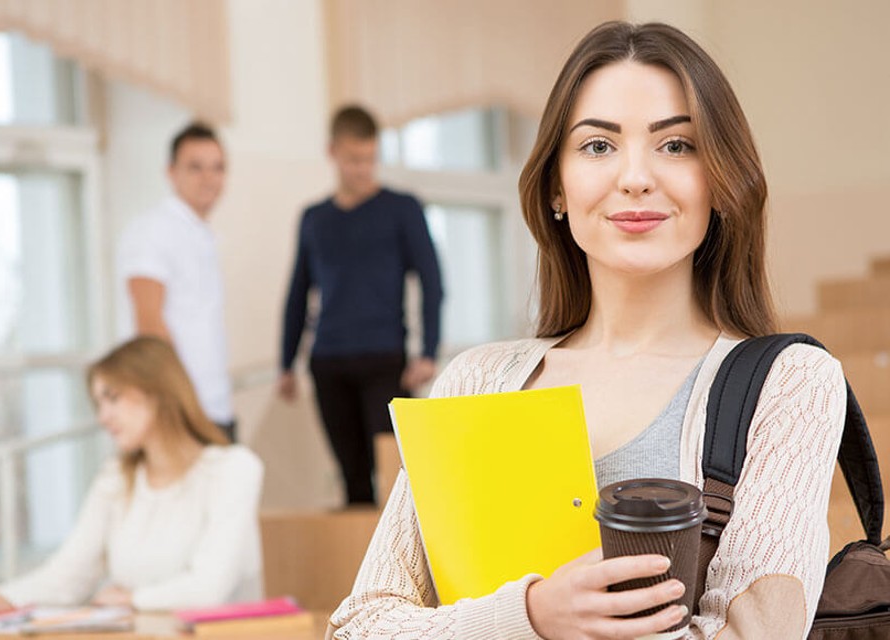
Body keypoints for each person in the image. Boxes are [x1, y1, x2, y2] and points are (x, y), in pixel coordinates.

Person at [328, 21, 844, 639]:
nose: (635, 177)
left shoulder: (789, 383)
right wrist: (532, 616)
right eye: (598, 146)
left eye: (676, 145)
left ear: (723, 182)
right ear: (556, 186)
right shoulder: (476, 381)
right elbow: (360, 626)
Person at [0, 337, 264, 624]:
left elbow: (210, 587)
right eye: (99, 403)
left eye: (113, 398)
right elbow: (67, 577)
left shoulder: (234, 470)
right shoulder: (117, 478)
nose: (103, 417)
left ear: (156, 391)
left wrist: (132, 599)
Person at [279, 105, 444, 506]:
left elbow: (432, 281)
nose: (362, 168)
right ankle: (366, 568)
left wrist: (427, 351)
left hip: (385, 360)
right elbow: (298, 292)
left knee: (398, 475)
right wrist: (286, 362)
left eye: (370, 158)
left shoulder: (401, 209)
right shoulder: (314, 219)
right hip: (328, 363)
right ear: (332, 151)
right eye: (354, 159)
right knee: (353, 481)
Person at [118, 122, 237, 441]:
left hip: (213, 406)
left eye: (218, 168)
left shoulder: (200, 234)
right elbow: (150, 326)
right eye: (195, 167)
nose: (209, 178)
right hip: (181, 413)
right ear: (171, 172)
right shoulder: (153, 231)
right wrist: (180, 407)